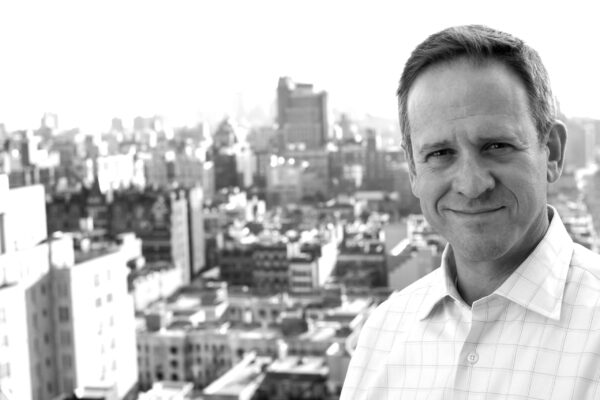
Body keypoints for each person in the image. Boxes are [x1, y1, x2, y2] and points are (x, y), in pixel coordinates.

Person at [341, 25, 600, 399]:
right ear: (413, 169)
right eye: (440, 153)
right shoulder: (382, 335)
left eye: (496, 146)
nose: (472, 184)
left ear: (552, 153)